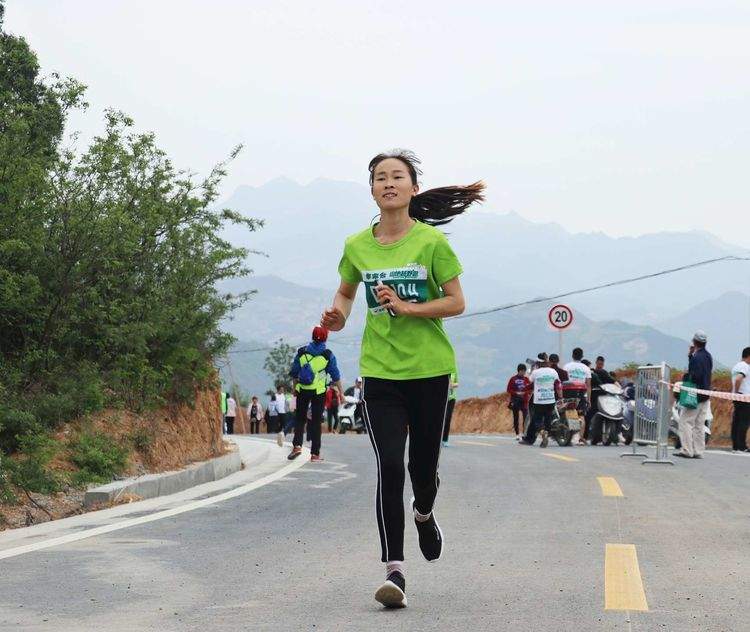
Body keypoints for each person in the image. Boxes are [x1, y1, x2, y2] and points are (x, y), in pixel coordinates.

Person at [321, 149, 483, 609]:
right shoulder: (357, 245)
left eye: (398, 176)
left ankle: (425, 511)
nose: (388, 183)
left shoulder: (431, 243)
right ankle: (395, 571)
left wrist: (410, 308)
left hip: (430, 371)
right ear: (371, 190)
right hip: (380, 373)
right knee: (390, 466)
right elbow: (346, 292)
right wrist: (338, 316)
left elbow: (456, 302)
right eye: (379, 177)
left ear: (413, 188)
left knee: (421, 470)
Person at [287, 326, 345, 462]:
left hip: (302, 390)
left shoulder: (302, 353)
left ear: (312, 336)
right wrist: (341, 393)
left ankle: (297, 446)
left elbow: (294, 373)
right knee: (316, 422)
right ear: (325, 337)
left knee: (300, 419)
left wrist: (295, 389)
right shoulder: (327, 355)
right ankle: (315, 454)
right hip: (319, 392)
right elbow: (335, 376)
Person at [675, 331, 713, 458]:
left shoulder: (696, 357)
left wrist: (686, 376)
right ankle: (698, 451)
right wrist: (691, 356)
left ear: (694, 342)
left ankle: (687, 450)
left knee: (685, 421)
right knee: (699, 425)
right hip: (705, 394)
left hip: (694, 394)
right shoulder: (708, 356)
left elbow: (695, 375)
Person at [521, 358, 561, 447]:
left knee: (537, 419)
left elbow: (528, 382)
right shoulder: (553, 371)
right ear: (547, 362)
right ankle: (545, 433)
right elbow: (558, 385)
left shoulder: (536, 372)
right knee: (547, 419)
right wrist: (560, 397)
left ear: (539, 363)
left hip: (539, 400)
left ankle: (542, 433)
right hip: (550, 400)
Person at [564, 348, 592, 444]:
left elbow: (563, 381)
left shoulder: (567, 366)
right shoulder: (586, 368)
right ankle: (580, 438)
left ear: (572, 355)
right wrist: (588, 399)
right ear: (582, 356)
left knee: (571, 412)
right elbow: (588, 385)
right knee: (581, 415)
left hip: (568, 392)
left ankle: (573, 436)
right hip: (581, 393)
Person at [730, 347, 750, 453]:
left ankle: (735, 446)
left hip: (736, 397)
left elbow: (734, 380)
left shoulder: (735, 366)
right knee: (744, 422)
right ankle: (742, 446)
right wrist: (738, 392)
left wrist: (734, 393)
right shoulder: (745, 366)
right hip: (744, 397)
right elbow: (738, 378)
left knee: (736, 422)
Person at [506, 364, 531, 441]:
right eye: (523, 371)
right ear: (519, 371)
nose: (524, 373)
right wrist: (516, 393)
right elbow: (508, 390)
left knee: (525, 418)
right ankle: (517, 434)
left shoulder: (526, 379)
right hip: (515, 400)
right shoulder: (513, 379)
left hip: (524, 401)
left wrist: (526, 393)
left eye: (525, 371)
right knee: (516, 418)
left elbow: (530, 388)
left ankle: (524, 433)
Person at [441, 372, 459, 447]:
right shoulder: (442, 372)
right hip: (442, 398)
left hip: (451, 398)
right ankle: (438, 439)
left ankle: (445, 440)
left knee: (448, 418)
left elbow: (457, 384)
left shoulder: (454, 372)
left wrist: (451, 385)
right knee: (441, 419)